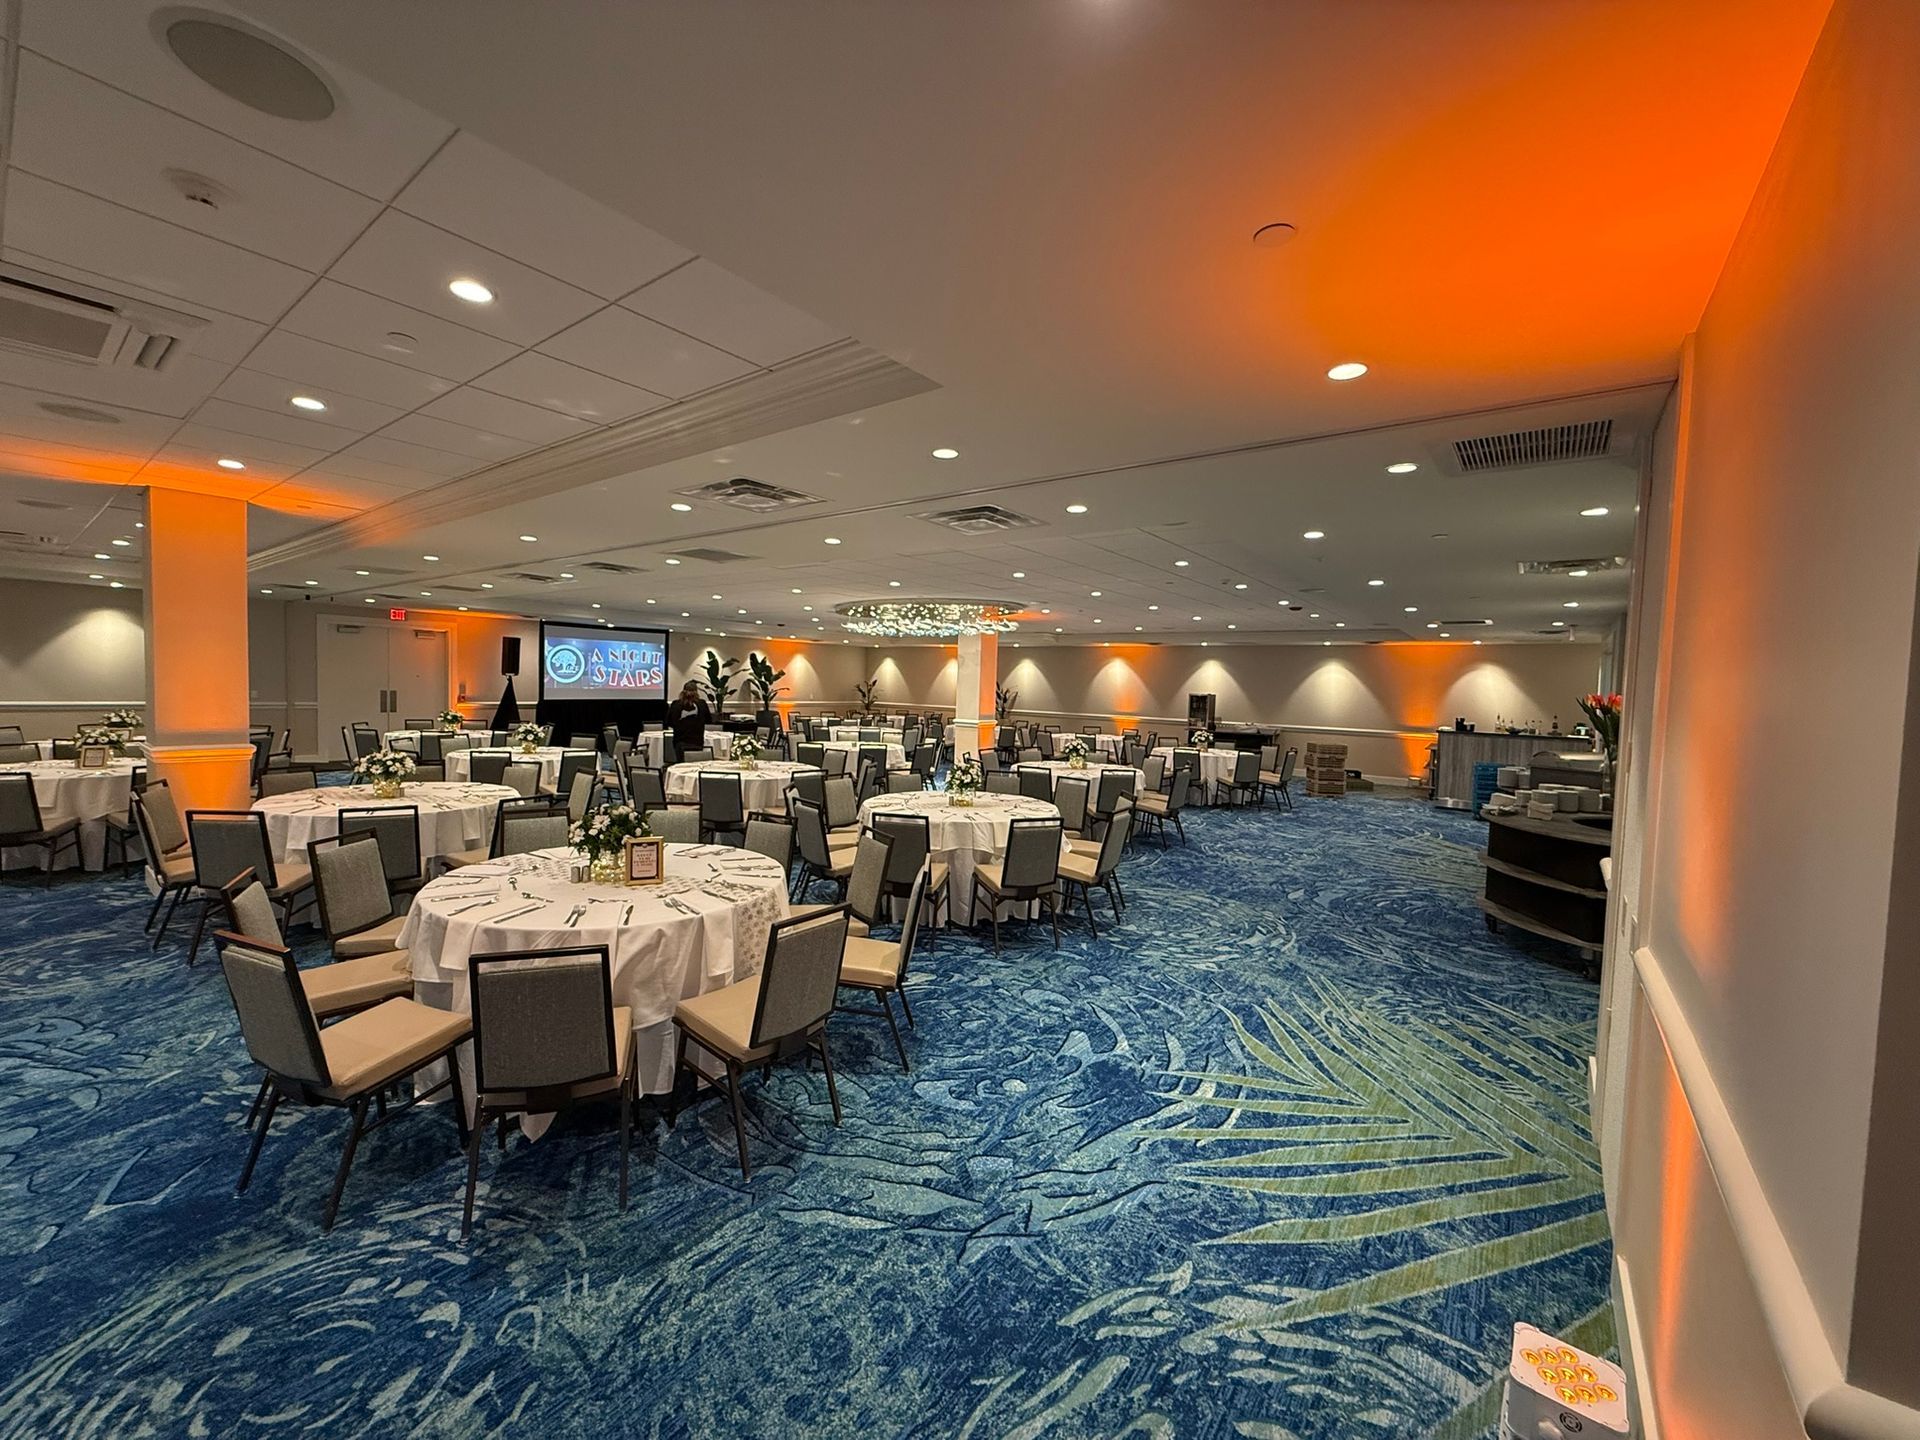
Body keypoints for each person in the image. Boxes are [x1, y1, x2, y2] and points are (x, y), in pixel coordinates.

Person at [666, 680, 711, 752]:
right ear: (696, 692)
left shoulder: (675, 704)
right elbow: (708, 720)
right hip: (697, 742)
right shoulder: (702, 704)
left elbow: (669, 722)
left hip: (680, 742)